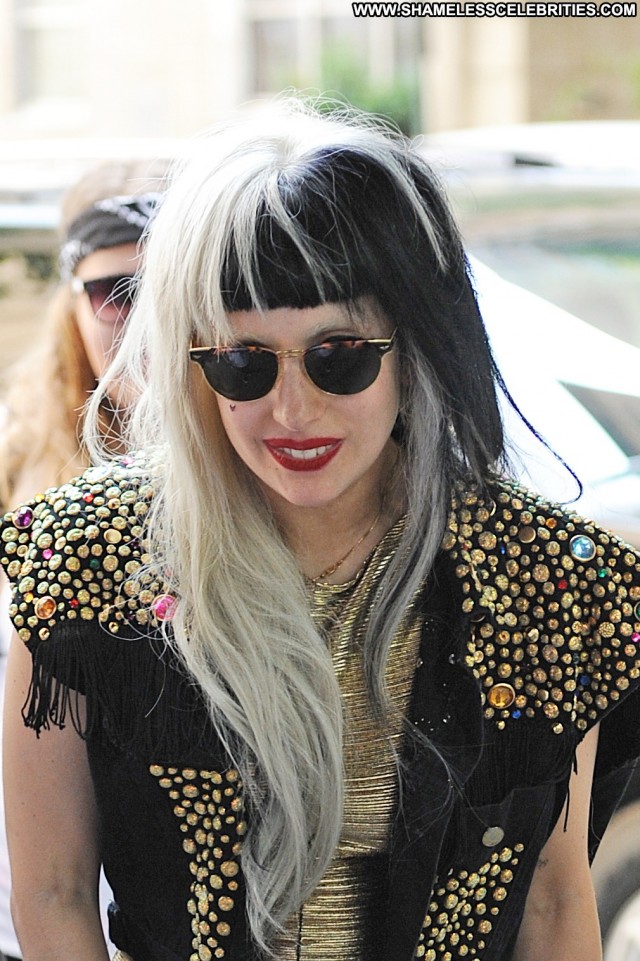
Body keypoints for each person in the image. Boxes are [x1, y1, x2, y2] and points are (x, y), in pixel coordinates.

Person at [1, 100, 639, 961]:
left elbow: (555, 903)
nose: (293, 410)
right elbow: (53, 891)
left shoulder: (543, 577)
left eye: (340, 355)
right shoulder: (86, 561)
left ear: (415, 347)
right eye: (244, 361)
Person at [0, 161, 164, 961]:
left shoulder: (276, 471)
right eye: (115, 292)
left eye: (169, 289)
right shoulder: (12, 468)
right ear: (72, 300)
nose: (144, 320)